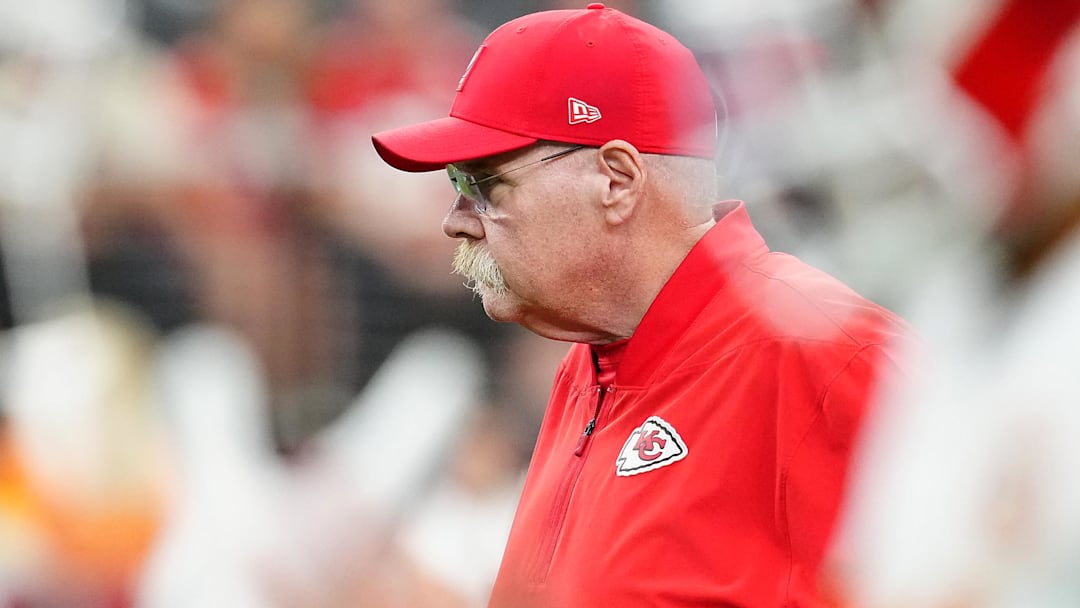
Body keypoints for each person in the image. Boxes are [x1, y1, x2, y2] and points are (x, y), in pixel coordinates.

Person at [370, 4, 911, 606]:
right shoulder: (592, 358)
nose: (454, 222)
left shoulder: (829, 358)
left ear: (617, 181)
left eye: (482, 183)